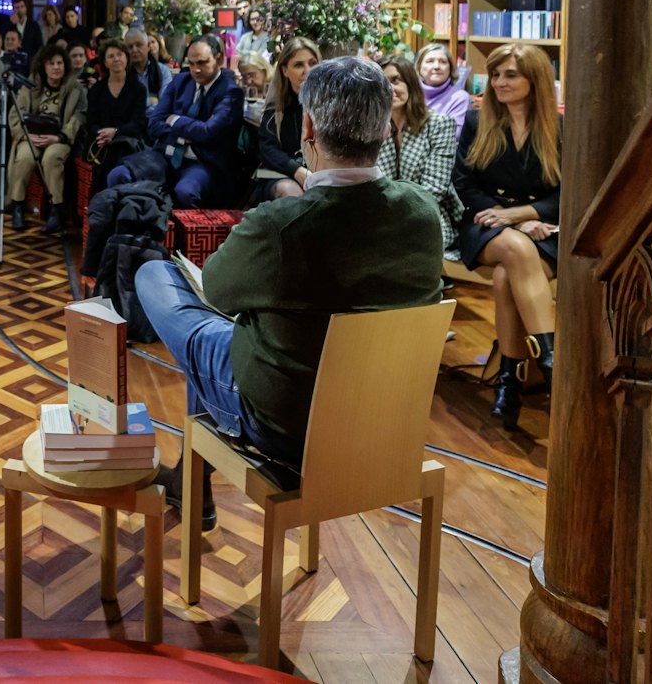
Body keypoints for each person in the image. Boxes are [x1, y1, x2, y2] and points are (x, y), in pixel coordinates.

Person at [135, 56, 444, 523]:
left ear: (308, 128)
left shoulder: (281, 225)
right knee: (240, 330)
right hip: (385, 420)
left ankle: (190, 482)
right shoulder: (422, 213)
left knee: (155, 276)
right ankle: (189, 482)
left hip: (285, 427)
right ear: (385, 131)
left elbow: (215, 290)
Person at [453, 43, 561, 430]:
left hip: (545, 228)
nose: (499, 82)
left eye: (510, 74)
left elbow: (570, 192)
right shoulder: (476, 121)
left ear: (535, 80)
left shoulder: (561, 128)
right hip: (486, 225)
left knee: (505, 278)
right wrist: (512, 222)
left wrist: (523, 215)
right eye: (495, 74)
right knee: (515, 248)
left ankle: (510, 384)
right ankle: (552, 364)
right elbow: (463, 184)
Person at [117, 34, 243, 207]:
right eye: (191, 64)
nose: (195, 70)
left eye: (202, 63)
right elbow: (154, 124)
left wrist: (175, 119)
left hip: (203, 161)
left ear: (219, 59)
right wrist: (182, 137)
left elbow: (209, 132)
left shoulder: (231, 92)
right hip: (166, 153)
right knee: (119, 174)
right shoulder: (181, 81)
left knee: (185, 192)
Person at [379, 55, 462, 251]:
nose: (389, 88)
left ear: (411, 84)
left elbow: (434, 189)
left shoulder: (439, 124)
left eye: (396, 80)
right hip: (382, 216)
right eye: (382, 83)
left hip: (428, 216)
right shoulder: (372, 127)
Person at [6, 41, 87, 235]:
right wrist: (26, 135)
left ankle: (56, 211)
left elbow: (79, 117)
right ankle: (18, 206)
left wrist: (60, 137)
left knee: (51, 158)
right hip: (31, 135)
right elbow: (16, 114)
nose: (56, 67)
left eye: (60, 63)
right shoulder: (31, 84)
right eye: (51, 63)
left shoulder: (75, 88)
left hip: (59, 137)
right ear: (43, 66)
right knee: (25, 157)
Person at [257, 36, 320, 200]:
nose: (307, 70)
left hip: (321, 175)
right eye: (299, 65)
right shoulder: (276, 109)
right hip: (282, 174)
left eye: (313, 63)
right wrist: (296, 170)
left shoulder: (331, 106)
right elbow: (268, 149)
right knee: (291, 194)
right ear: (285, 70)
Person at [85, 38, 148, 192]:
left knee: (120, 154)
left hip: (128, 143)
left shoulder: (138, 89)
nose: (116, 59)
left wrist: (116, 132)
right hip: (101, 143)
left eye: (120, 54)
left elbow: (139, 123)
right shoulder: (97, 90)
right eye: (111, 56)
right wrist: (102, 135)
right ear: (105, 62)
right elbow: (91, 121)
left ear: (126, 58)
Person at [416, 42, 472, 137]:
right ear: (419, 67)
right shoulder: (409, 93)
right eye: (430, 61)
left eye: (443, 62)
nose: (436, 66)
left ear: (450, 68)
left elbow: (454, 136)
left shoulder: (460, 98)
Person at [125, 29, 172, 109]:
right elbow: (124, 104)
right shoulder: (122, 73)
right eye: (130, 47)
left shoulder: (162, 70)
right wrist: (150, 101)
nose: (134, 50)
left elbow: (165, 102)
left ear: (148, 47)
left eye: (139, 45)